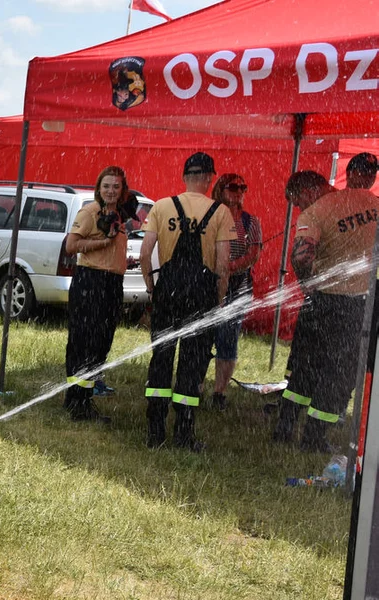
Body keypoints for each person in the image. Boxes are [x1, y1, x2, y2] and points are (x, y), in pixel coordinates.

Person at [273, 171, 379, 452]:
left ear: (307, 192)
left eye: (297, 202)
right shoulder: (368, 201)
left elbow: (301, 255)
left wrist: (308, 285)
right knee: (339, 372)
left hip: (322, 302)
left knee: (306, 367)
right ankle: (314, 437)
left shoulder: (315, 213)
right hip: (355, 303)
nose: (299, 209)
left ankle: (285, 427)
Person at [139, 152, 235, 451]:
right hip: (201, 296)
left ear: (184, 177)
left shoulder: (162, 206)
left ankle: (155, 430)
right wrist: (218, 301)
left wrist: (153, 287)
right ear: (209, 179)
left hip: (167, 292)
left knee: (161, 359)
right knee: (192, 364)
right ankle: (184, 432)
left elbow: (145, 253)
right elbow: (223, 265)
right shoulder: (220, 212)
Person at [62, 166, 135, 422]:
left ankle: (83, 397)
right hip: (91, 282)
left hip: (112, 283)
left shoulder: (118, 215)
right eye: (106, 186)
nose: (111, 191)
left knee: (102, 343)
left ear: (122, 189)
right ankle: (77, 403)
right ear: (98, 188)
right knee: (84, 342)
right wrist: (103, 243)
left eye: (116, 186)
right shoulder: (90, 211)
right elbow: (71, 246)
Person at [206, 173, 262, 410]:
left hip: (238, 285)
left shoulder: (251, 221)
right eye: (233, 186)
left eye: (243, 187)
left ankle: (219, 391)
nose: (238, 191)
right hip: (209, 282)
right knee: (203, 335)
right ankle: (194, 383)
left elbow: (254, 253)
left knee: (228, 338)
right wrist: (217, 269)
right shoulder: (209, 215)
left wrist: (229, 267)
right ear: (221, 189)